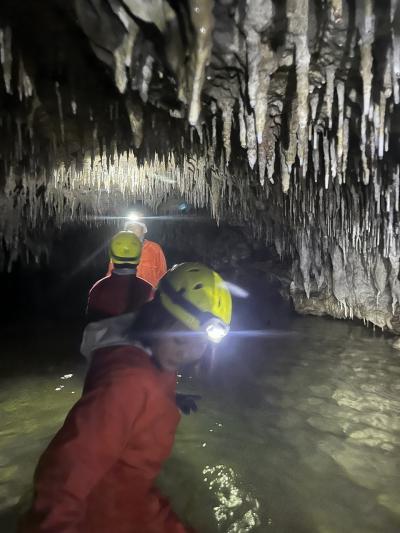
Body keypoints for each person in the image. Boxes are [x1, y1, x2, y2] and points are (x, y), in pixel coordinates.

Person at [19, 262, 232, 533]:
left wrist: (169, 400)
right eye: (180, 339)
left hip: (133, 498)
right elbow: (64, 472)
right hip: (103, 517)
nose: (187, 352)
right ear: (157, 318)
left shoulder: (146, 352)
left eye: (200, 342)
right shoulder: (128, 383)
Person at [87, 231, 152, 321]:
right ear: (139, 255)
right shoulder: (148, 289)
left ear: (111, 255)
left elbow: (90, 326)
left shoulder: (98, 288)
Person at [107, 221, 167, 289]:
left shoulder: (155, 249)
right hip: (125, 295)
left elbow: (163, 274)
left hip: (149, 296)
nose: (132, 229)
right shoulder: (119, 248)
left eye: (136, 226)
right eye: (130, 227)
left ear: (143, 230)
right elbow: (110, 274)